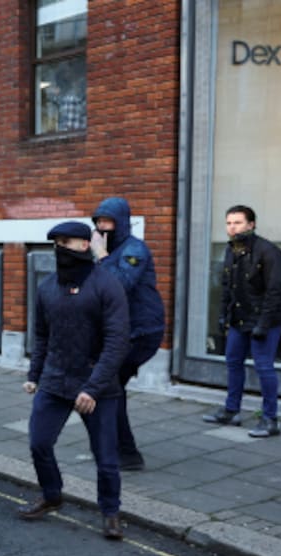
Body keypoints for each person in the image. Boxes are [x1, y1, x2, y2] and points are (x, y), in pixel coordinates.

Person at [19, 221, 129, 540]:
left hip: (98, 386)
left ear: (85, 245)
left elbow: (117, 341)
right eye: (57, 243)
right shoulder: (47, 287)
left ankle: (110, 512)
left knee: (106, 457)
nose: (60, 248)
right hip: (55, 380)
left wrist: (93, 388)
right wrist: (34, 374)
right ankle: (52, 495)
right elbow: (42, 335)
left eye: (67, 242)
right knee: (39, 442)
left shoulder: (107, 285)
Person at [89, 197, 165, 471]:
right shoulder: (107, 249)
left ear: (120, 222)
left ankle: (126, 452)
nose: (101, 227)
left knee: (108, 385)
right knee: (111, 388)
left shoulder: (135, 249)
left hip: (143, 332)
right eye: (98, 222)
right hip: (122, 331)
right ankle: (122, 450)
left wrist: (101, 255)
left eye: (107, 222)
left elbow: (118, 286)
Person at [202, 205, 281, 437]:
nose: (232, 227)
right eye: (229, 223)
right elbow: (228, 287)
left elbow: (275, 292)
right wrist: (223, 315)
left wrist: (263, 324)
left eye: (237, 223)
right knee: (233, 363)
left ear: (251, 224)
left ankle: (270, 419)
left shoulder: (269, 252)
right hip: (239, 319)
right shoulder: (232, 250)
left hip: (264, 321)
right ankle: (231, 411)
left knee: (264, 367)